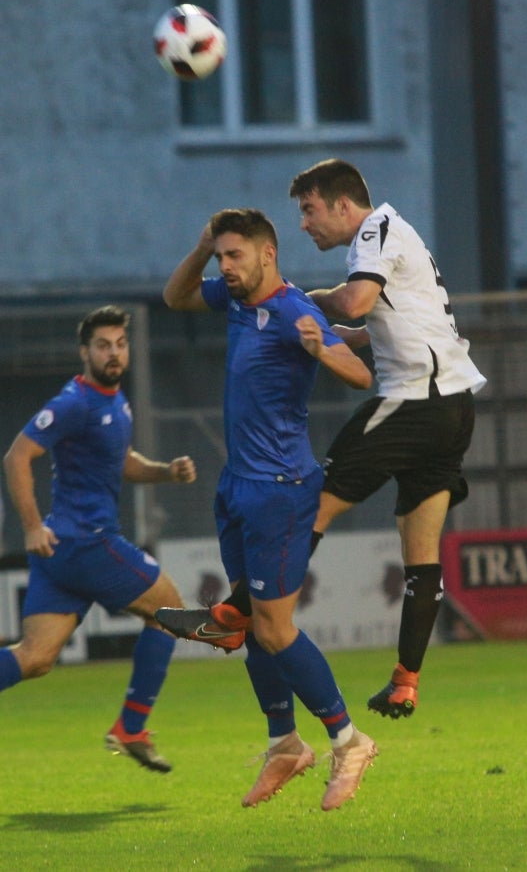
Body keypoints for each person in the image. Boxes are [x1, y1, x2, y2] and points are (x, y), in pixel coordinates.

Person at [162, 160, 486, 723]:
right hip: (454, 408)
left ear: (342, 204)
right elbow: (382, 325)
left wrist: (310, 301)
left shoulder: (373, 231)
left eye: (309, 210)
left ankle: (234, 615)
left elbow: (357, 303)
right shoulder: (398, 236)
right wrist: (333, 332)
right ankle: (406, 681)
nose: (306, 224)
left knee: (310, 502)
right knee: (420, 547)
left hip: (414, 402)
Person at [156, 208, 378, 811]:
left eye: (235, 255)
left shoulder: (294, 310)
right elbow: (174, 297)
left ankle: (349, 739)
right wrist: (201, 246)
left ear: (267, 254)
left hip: (281, 489)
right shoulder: (232, 299)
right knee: (252, 622)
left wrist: (323, 350)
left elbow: (360, 373)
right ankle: (284, 743)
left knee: (275, 628)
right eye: (221, 256)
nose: (226, 266)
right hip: (237, 487)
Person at [1, 305, 196, 773]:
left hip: (63, 553)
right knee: (172, 613)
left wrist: (165, 473)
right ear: (84, 351)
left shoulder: (113, 400)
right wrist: (30, 524)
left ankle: (132, 727)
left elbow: (121, 460)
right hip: (86, 542)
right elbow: (16, 457)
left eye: (121, 344)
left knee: (36, 658)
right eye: (104, 345)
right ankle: (132, 726)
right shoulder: (76, 402)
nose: (114, 353)